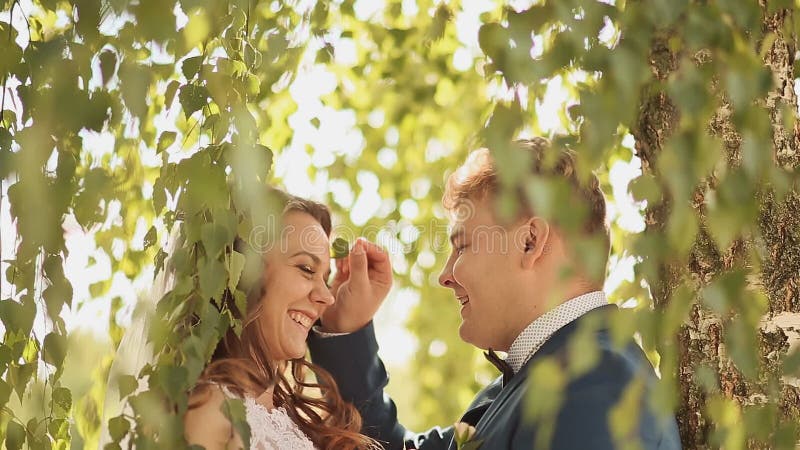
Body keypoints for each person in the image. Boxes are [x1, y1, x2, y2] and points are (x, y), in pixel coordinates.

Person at [308, 138, 682, 449]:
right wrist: (347, 328)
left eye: (463, 246)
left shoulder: (599, 385)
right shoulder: (536, 380)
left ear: (530, 242)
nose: (444, 275)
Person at [182, 193, 380, 450]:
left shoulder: (303, 425)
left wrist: (348, 324)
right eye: (307, 269)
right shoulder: (212, 411)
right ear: (245, 274)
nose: (327, 297)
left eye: (326, 278)